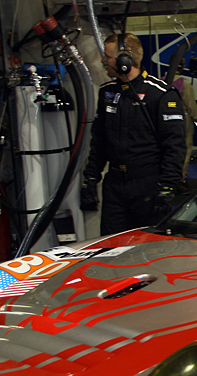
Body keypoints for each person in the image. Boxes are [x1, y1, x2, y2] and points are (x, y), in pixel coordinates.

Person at [80, 32, 187, 234]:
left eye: (108, 56)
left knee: (148, 249)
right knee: (111, 248)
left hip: (148, 185)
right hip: (115, 185)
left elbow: (174, 145)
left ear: (124, 60)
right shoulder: (107, 92)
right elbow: (99, 141)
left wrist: (167, 186)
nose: (103, 61)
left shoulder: (161, 94)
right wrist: (91, 178)